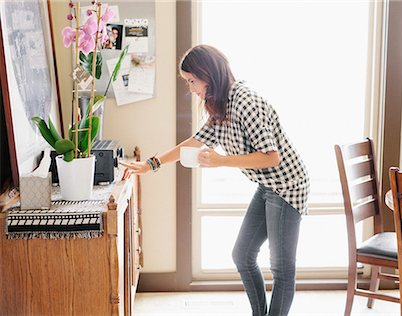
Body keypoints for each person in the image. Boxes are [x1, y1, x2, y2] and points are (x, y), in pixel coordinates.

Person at [120, 45, 310, 316]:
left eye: (191, 81)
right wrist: (151, 164)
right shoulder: (222, 105)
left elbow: (271, 157)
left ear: (207, 74)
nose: (191, 88)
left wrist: (222, 161)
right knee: (242, 255)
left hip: (288, 186)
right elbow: (194, 142)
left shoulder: (245, 102)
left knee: (281, 268)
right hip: (268, 186)